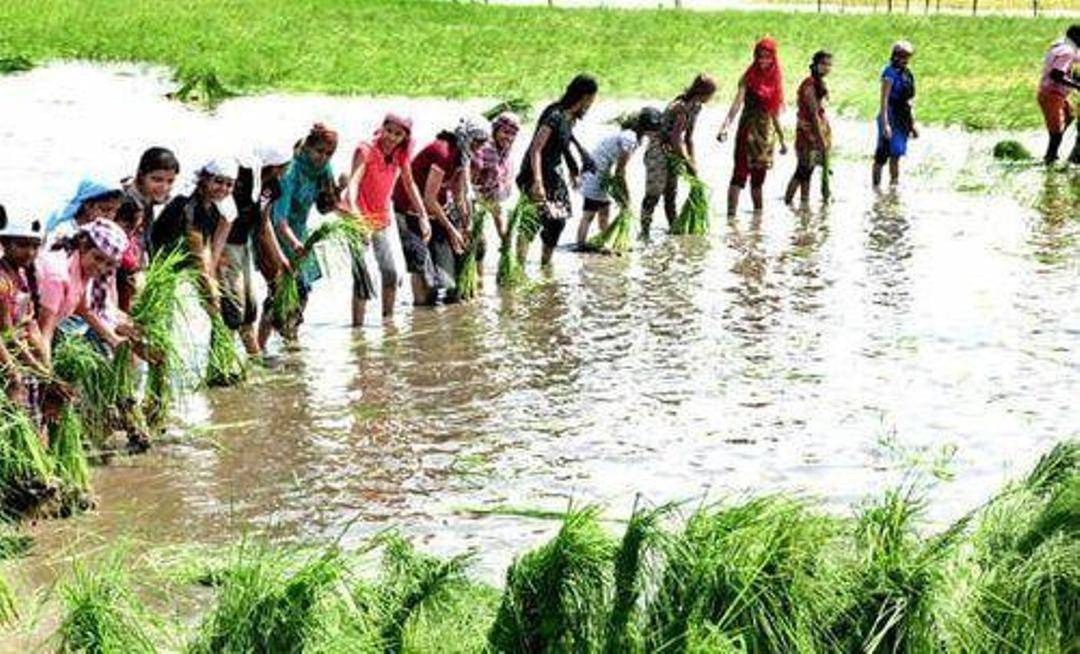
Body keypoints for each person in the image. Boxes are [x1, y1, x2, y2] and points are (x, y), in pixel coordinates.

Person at [392, 117, 489, 305]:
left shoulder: (463, 156)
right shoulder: (442, 152)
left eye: (482, 144)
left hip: (433, 212)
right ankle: (419, 313)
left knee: (446, 280)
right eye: (476, 142)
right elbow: (429, 199)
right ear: (466, 137)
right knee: (420, 264)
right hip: (408, 209)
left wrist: (466, 223)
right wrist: (452, 231)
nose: (478, 148)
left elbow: (459, 194)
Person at [344, 113, 427, 325]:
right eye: (388, 131)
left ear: (404, 138)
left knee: (390, 273)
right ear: (382, 128)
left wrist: (423, 215)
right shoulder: (366, 150)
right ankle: (357, 331)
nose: (391, 137)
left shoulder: (400, 154)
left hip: (381, 220)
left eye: (397, 134)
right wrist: (356, 218)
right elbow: (353, 185)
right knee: (362, 278)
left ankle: (387, 325)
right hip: (358, 219)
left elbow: (410, 184)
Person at [517, 74, 599, 266]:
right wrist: (537, 182)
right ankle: (518, 265)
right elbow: (536, 149)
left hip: (553, 174)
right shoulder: (554, 115)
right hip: (535, 173)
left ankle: (546, 265)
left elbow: (564, 142)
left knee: (557, 221)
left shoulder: (570, 118)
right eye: (592, 98)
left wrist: (573, 170)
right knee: (532, 220)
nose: (592, 104)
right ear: (585, 96)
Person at [271, 123, 341, 338]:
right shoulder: (291, 171)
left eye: (329, 153)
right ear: (308, 147)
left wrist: (342, 188)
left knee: (303, 289)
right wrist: (293, 244)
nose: (323, 157)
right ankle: (268, 343)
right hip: (279, 236)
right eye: (319, 151)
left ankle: (290, 336)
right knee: (279, 292)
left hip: (301, 234)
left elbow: (325, 207)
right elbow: (278, 218)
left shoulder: (324, 169)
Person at [221, 146, 292, 355]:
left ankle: (253, 358)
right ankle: (225, 362)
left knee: (249, 305)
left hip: (243, 245)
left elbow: (263, 224)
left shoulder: (272, 186)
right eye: (282, 167)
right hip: (226, 243)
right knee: (234, 304)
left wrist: (280, 259)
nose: (284, 171)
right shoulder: (242, 178)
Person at [34, 219, 133, 364]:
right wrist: (48, 378)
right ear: (83, 245)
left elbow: (83, 308)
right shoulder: (58, 274)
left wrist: (113, 339)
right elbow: (44, 332)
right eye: (98, 258)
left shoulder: (84, 269)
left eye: (109, 264)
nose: (101, 268)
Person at [151, 157, 239, 316]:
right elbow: (197, 252)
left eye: (229, 184)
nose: (223, 188)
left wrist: (215, 286)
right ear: (204, 179)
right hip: (157, 266)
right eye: (218, 181)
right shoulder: (187, 205)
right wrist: (211, 293)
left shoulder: (212, 209)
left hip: (177, 269)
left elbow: (206, 250)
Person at [719, 38, 788, 216]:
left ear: (774, 58)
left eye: (767, 57)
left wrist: (782, 139)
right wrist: (725, 126)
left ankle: (758, 219)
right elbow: (736, 105)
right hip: (747, 130)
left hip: (765, 135)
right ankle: (731, 217)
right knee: (740, 174)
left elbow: (774, 113)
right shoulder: (748, 77)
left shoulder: (775, 80)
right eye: (760, 56)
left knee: (759, 179)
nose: (763, 61)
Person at [642, 74, 716, 235]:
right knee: (654, 191)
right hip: (659, 148)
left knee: (671, 192)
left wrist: (693, 162)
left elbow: (688, 138)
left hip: (674, 152)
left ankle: (674, 229)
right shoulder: (680, 107)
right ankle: (645, 229)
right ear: (702, 93)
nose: (711, 98)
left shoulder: (696, 108)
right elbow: (675, 140)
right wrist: (687, 163)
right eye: (711, 95)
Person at [576, 107, 662, 247]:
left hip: (603, 172)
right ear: (647, 128)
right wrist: (626, 197)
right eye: (655, 129)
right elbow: (620, 172)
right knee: (589, 213)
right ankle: (581, 245)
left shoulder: (635, 138)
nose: (656, 133)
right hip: (595, 172)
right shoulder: (630, 139)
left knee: (604, 210)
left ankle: (604, 241)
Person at [0, 204, 50, 428]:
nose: (29, 252)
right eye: (21, 245)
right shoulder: (2, 282)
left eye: (34, 246)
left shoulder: (21, 276)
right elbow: (6, 332)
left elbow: (29, 324)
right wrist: (17, 369)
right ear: (4, 244)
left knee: (32, 422)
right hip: (8, 360)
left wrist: (43, 360)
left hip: (20, 357)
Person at [471, 112, 521, 275]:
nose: (508, 137)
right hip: (476, 198)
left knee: (505, 236)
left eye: (513, 134)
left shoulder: (506, 151)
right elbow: (470, 179)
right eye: (505, 132)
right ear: (495, 130)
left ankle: (506, 266)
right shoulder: (484, 149)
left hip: (493, 199)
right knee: (480, 242)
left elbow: (501, 182)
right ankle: (478, 276)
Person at [785, 51, 834, 205]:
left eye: (829, 65)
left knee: (809, 171)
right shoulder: (809, 85)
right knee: (802, 171)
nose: (826, 68)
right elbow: (813, 115)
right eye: (823, 64)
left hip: (816, 132)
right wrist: (821, 140)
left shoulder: (819, 83)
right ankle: (788, 201)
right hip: (808, 134)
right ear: (815, 65)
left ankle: (804, 204)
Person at [872, 41, 918, 187]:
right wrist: (885, 124)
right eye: (903, 56)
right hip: (890, 114)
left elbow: (909, 100)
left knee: (897, 153)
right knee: (883, 154)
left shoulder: (907, 74)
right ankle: (876, 186)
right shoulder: (889, 73)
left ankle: (894, 184)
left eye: (907, 57)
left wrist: (913, 123)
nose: (905, 60)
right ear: (895, 56)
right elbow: (884, 100)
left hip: (902, 116)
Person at [1037, 25, 1080, 164]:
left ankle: (1056, 137)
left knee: (1070, 115)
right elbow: (1056, 74)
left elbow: (1077, 59)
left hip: (1052, 92)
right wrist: (1077, 85)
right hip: (1052, 94)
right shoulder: (1067, 52)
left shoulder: (1062, 45)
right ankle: (1050, 159)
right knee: (1055, 133)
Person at [45, 178, 124, 240]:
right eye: (105, 210)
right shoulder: (63, 232)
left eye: (115, 211)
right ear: (88, 205)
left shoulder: (105, 232)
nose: (110, 217)